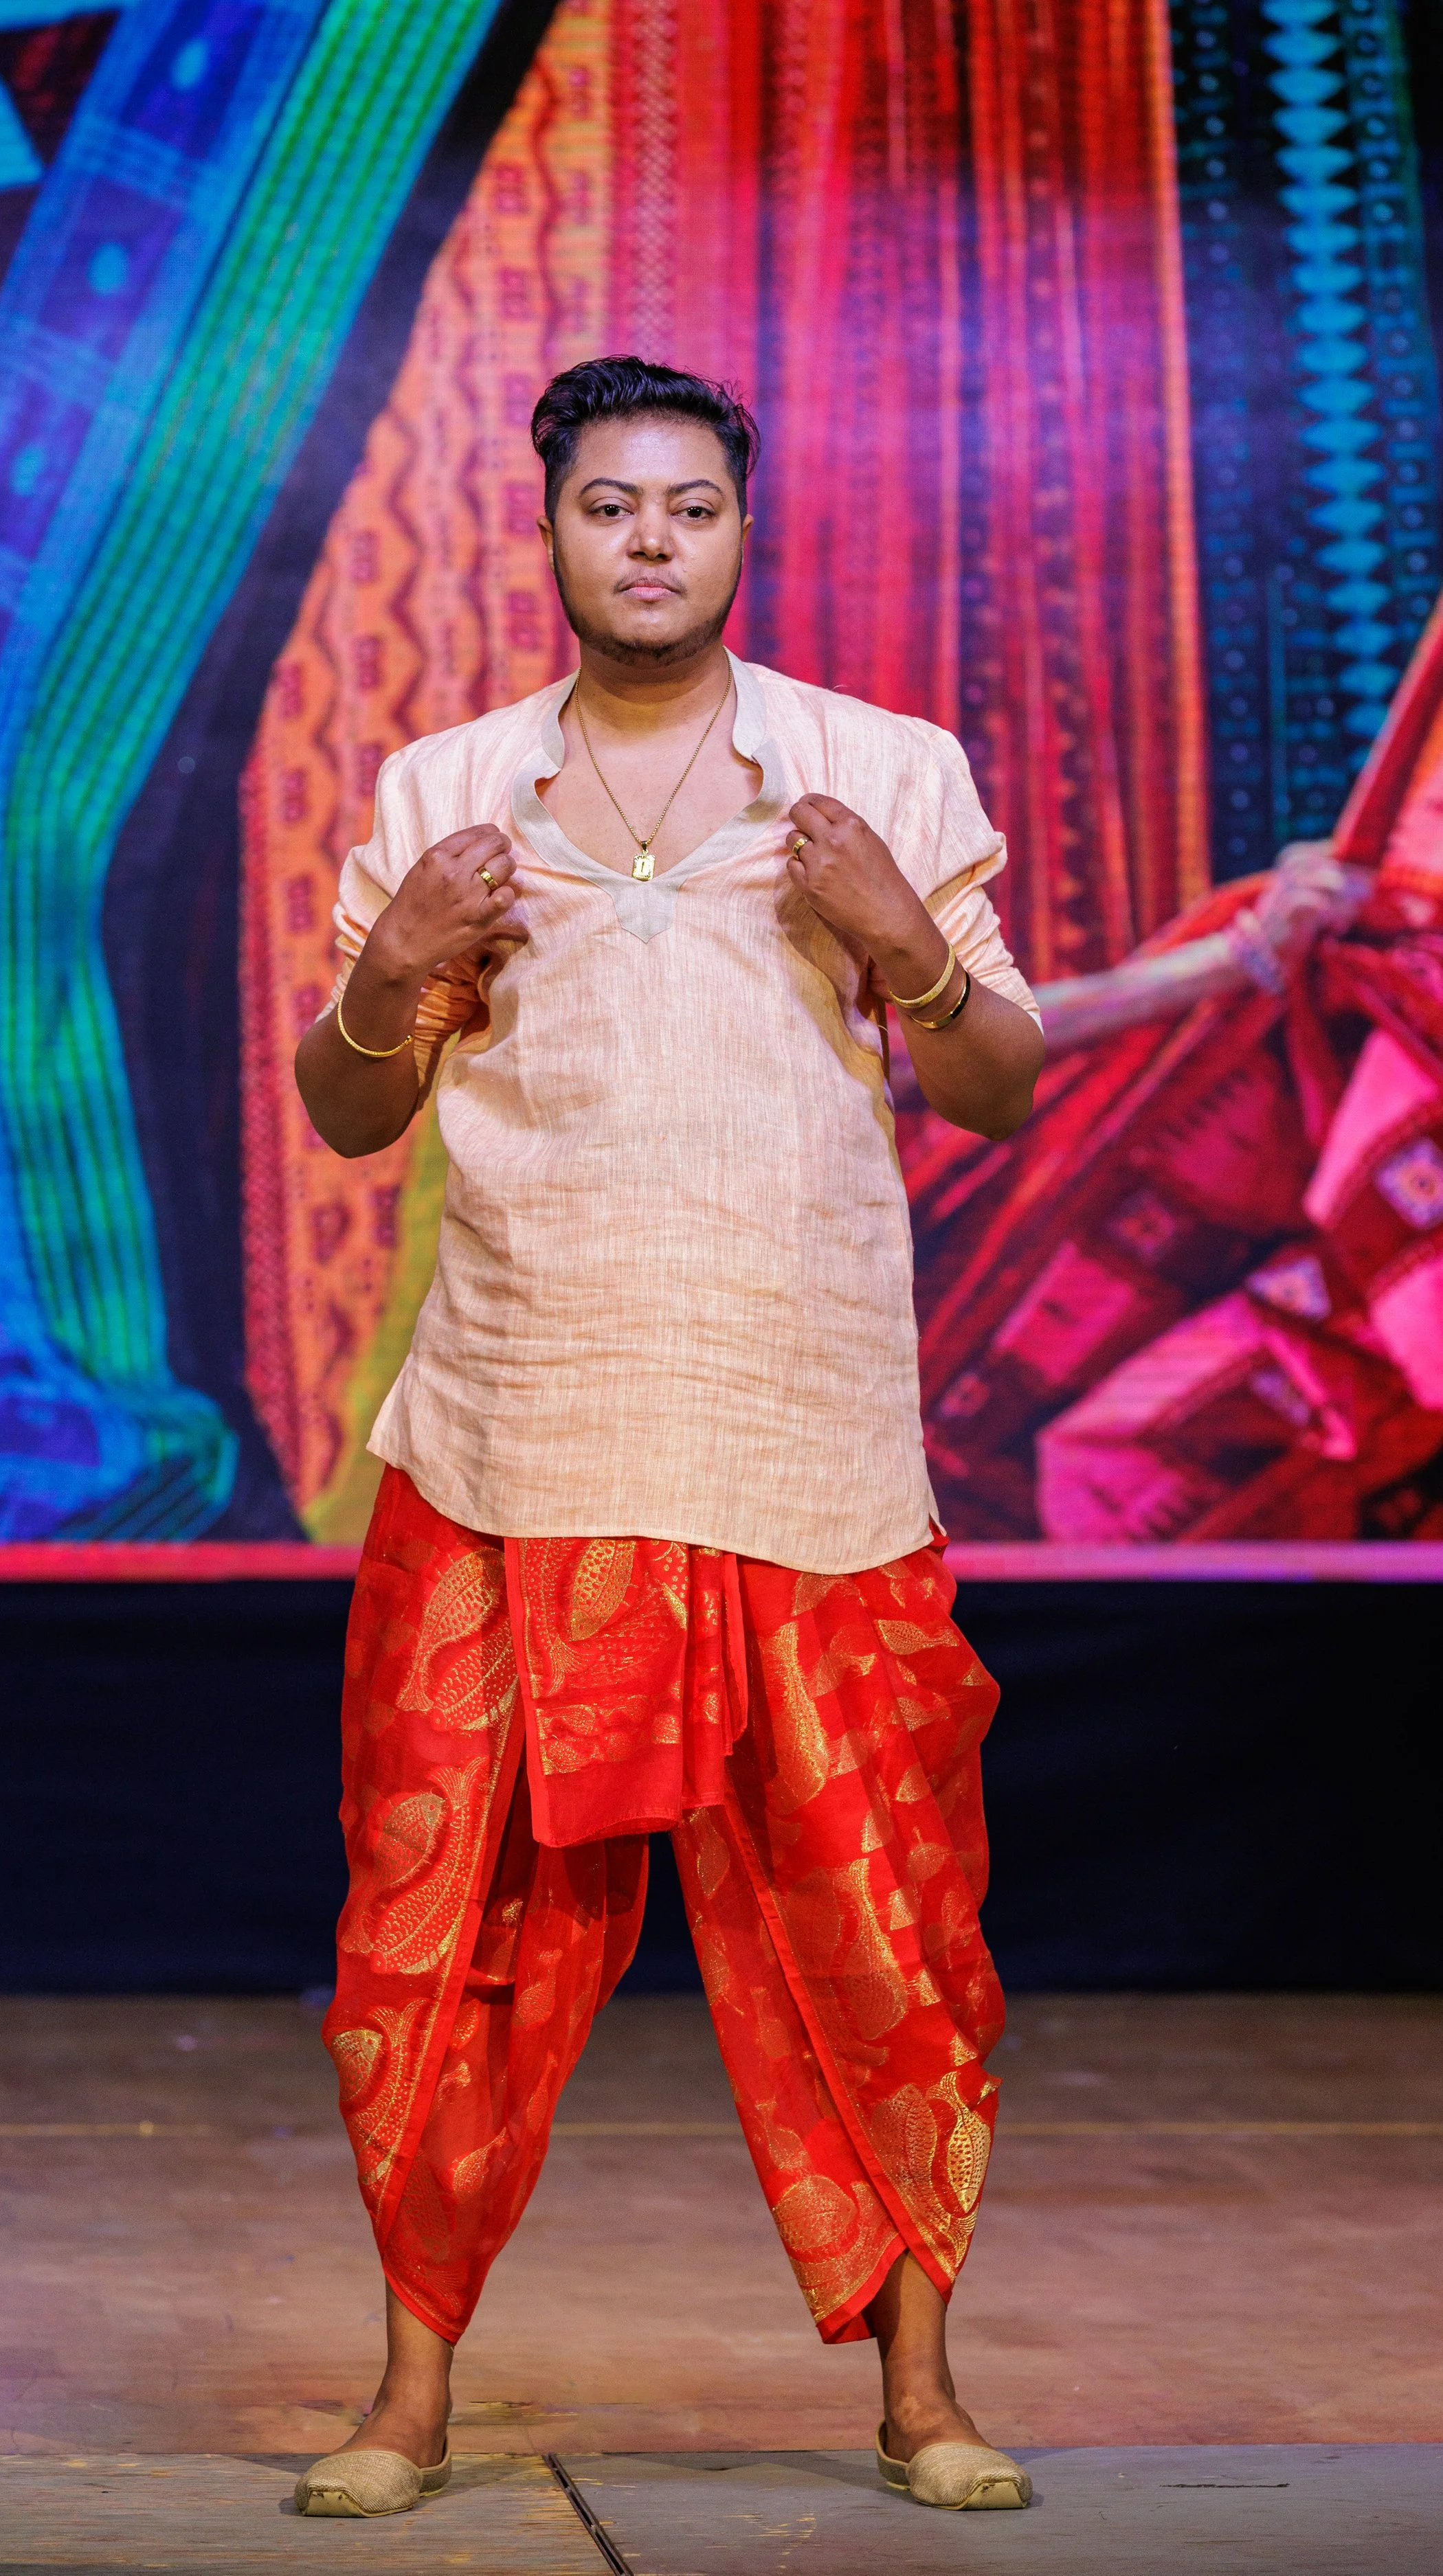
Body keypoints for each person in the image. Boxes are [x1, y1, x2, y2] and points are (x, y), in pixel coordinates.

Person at [289, 355, 1047, 2519]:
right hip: (512, 1438)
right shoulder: (449, 790)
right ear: (546, 530)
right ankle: (408, 2398)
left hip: (796, 1443)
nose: (648, 541)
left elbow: (996, 1080)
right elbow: (351, 1117)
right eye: (609, 506)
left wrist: (904, 947)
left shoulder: (875, 773)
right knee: (439, 1941)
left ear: (741, 530)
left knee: (885, 1926)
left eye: (687, 507)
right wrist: (393, 971)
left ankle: (918, 2391)